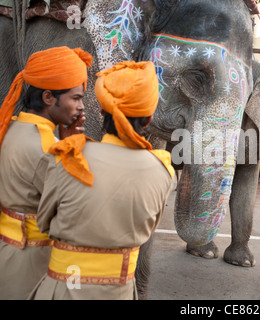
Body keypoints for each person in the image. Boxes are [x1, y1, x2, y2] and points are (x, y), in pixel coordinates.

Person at [29, 61, 174, 300]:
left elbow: (44, 223)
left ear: (101, 112)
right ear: (148, 120)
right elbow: (148, 230)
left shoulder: (68, 157)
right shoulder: (163, 171)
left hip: (63, 289)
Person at [0, 46, 92, 299]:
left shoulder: (13, 126)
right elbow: (72, 209)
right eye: (76, 98)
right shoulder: (46, 147)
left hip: (9, 251)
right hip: (32, 261)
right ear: (49, 97)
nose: (81, 107)